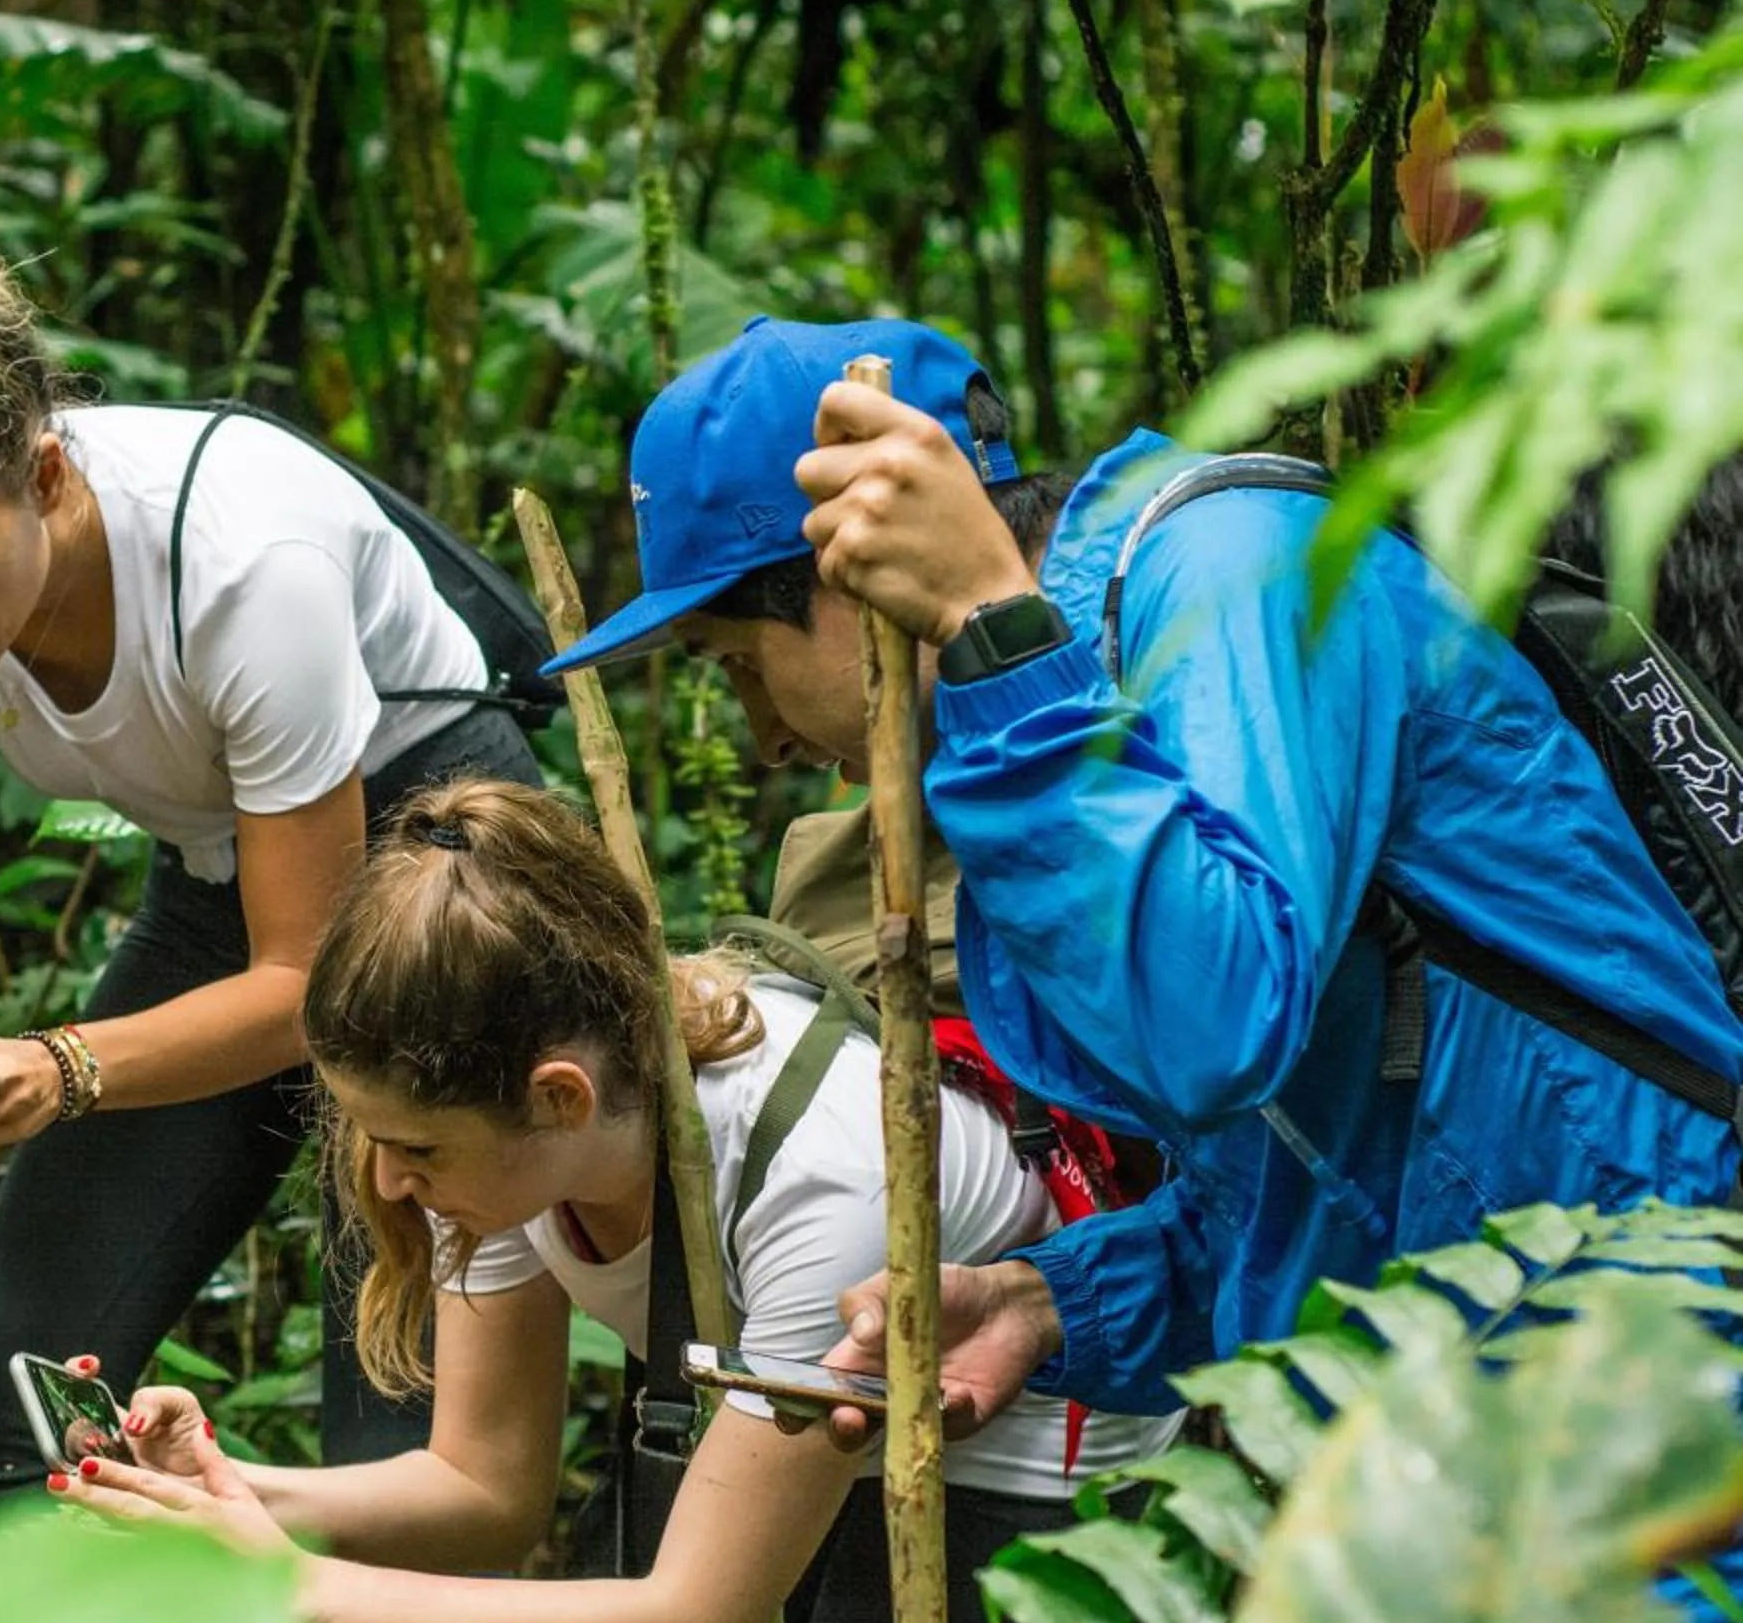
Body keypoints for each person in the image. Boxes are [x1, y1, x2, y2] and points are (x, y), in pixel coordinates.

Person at [536, 313, 1743, 1439]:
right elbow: (1313, 1169)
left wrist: (992, 641)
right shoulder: (1080, 691)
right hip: (1457, 1418)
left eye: (739, 663)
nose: (767, 741)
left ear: (853, 577)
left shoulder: (1229, 577)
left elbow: (1214, 1029)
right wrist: (1054, 1305)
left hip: (1643, 1368)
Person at [0, 187, 546, 1623]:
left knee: (409, 1431)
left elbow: (317, 984)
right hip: (238, 893)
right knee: (27, 1370)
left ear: (43, 468)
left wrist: (61, 1065)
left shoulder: (236, 547)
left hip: (442, 869)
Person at [53, 778, 1175, 1623]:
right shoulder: (505, 1151)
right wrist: (230, 1491)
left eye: (415, 1148)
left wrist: (292, 1585)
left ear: (558, 1095)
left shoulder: (828, 1179)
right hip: (821, 1422)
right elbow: (483, 1486)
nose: (389, 1183)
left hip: (1020, 1442)